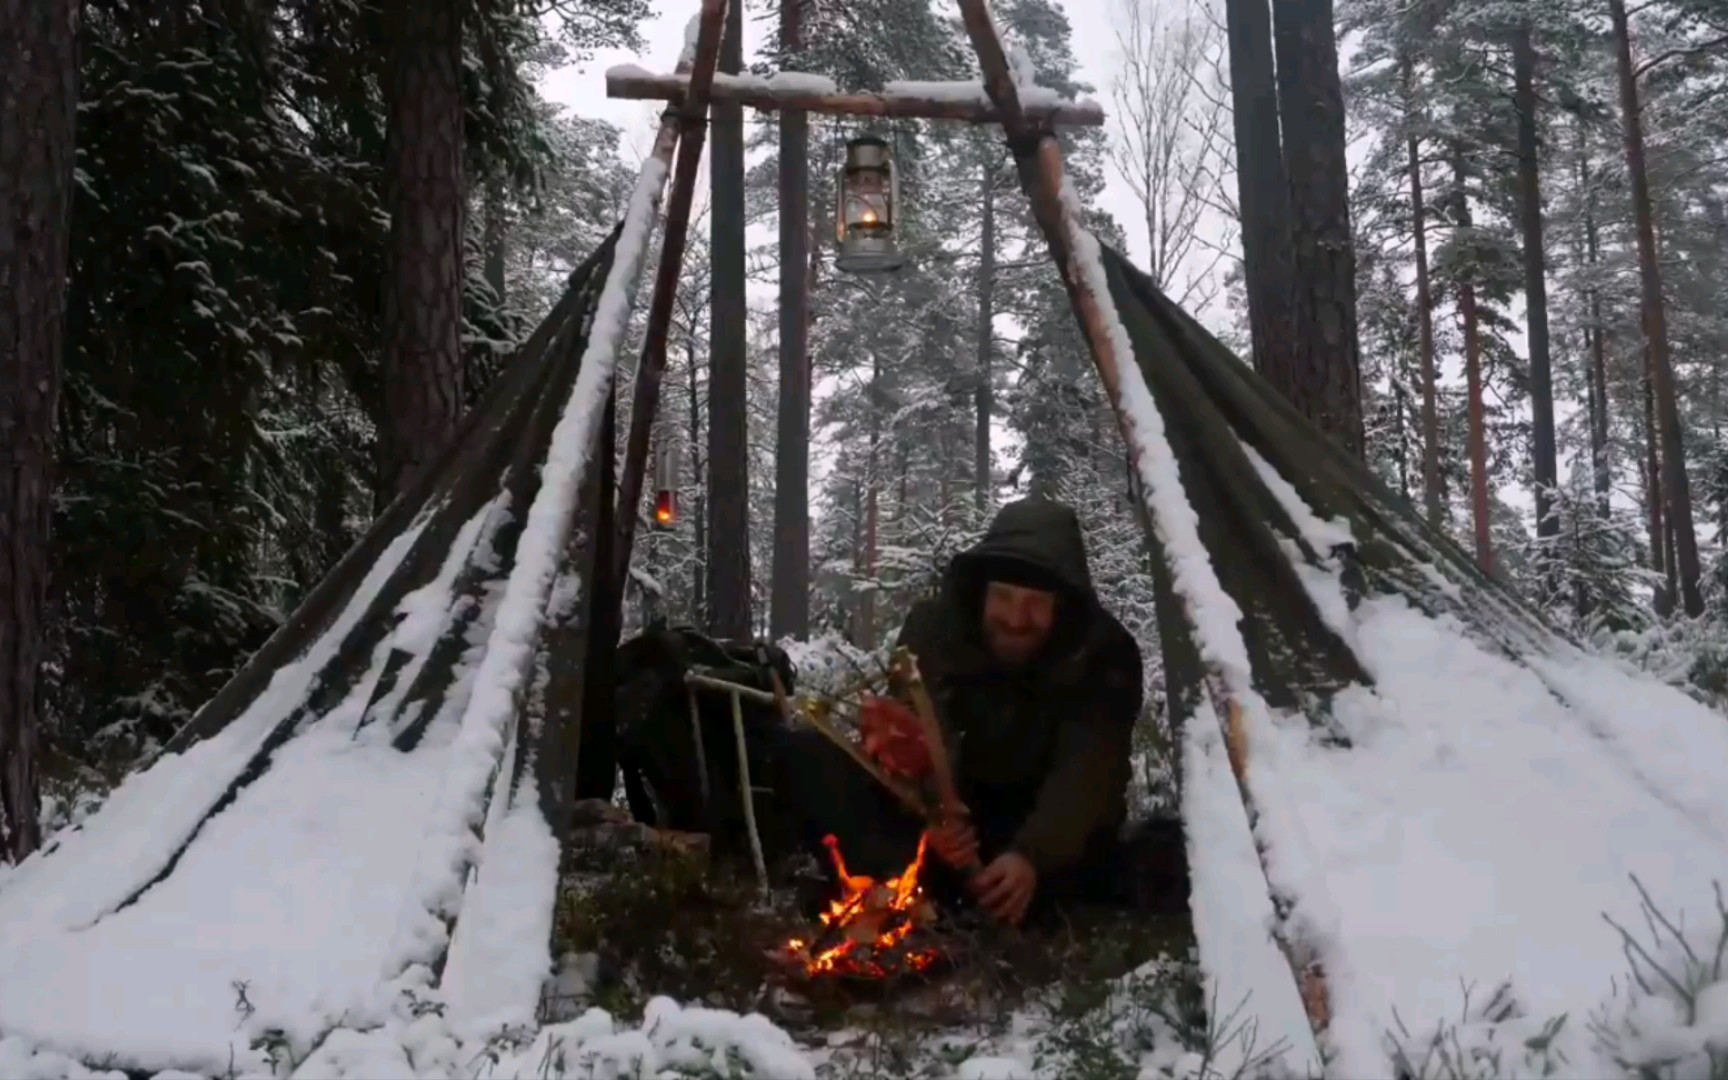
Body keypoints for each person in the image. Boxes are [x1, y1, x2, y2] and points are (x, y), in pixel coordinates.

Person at [773, 496, 1146, 927]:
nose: (1015, 618)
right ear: (981, 592)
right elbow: (918, 727)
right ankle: (899, 896)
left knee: (1137, 860)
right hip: (945, 824)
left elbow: (1090, 773)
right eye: (1003, 597)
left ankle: (1002, 903)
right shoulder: (936, 630)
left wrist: (1032, 855)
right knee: (806, 753)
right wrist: (934, 814)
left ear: (1061, 608)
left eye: (1034, 603)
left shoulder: (1103, 654)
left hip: (1041, 833)